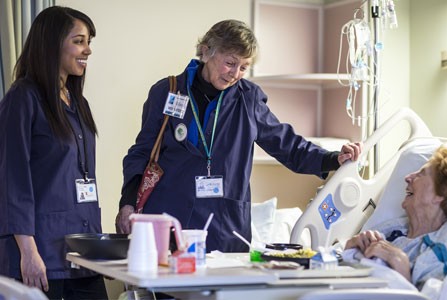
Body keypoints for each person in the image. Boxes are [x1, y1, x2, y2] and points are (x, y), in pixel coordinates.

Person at [115, 19, 362, 252]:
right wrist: (127, 203)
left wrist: (332, 159)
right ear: (206, 51)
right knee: (166, 293)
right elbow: (142, 151)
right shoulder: (166, 91)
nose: (235, 73)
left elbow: (286, 144)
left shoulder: (248, 98)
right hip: (168, 217)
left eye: (244, 67)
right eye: (230, 63)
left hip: (222, 225)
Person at [0, 6, 108, 300]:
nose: (88, 50)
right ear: (52, 44)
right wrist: (28, 251)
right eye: (79, 41)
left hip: (83, 252)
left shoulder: (76, 101)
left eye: (89, 42)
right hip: (42, 255)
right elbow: (13, 180)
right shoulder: (23, 98)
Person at [344, 146, 447, 289]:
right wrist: (350, 246)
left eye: (421, 174)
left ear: (442, 192)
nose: (408, 177)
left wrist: (401, 268)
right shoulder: (396, 227)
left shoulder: (445, 250)